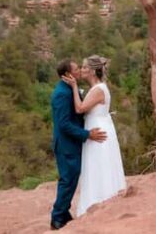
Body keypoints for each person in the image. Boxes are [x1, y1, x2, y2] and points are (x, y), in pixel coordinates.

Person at [62, 54, 127, 216]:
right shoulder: (98, 88)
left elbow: (80, 109)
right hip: (100, 126)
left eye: (84, 67)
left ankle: (100, 202)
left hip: (97, 131)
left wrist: (75, 87)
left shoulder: (98, 89)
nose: (81, 70)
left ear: (92, 71)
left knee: (99, 164)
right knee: (99, 164)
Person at [50, 59, 107, 230]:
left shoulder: (68, 89)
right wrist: (87, 134)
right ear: (68, 74)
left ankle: (64, 213)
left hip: (72, 144)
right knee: (68, 180)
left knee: (72, 179)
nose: (80, 71)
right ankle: (57, 218)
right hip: (67, 144)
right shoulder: (62, 93)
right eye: (76, 69)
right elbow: (64, 124)